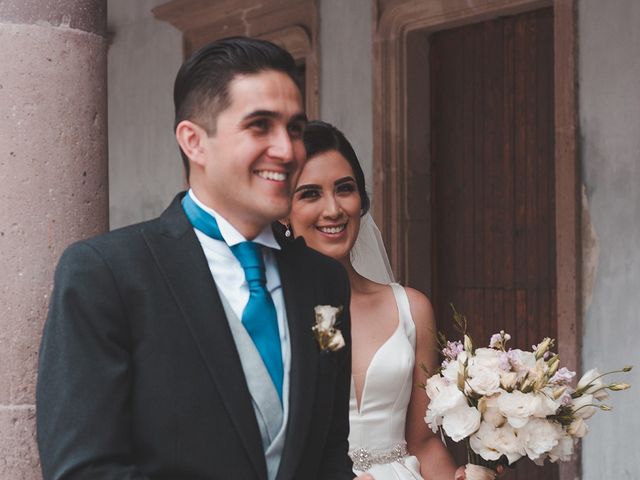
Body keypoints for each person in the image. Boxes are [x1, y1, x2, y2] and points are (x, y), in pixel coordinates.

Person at [36, 38, 354, 480]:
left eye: (295, 128)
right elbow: (84, 471)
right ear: (194, 142)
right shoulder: (105, 274)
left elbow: (330, 449)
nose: (287, 149)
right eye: (260, 126)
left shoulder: (324, 282)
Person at [283, 120, 466, 480]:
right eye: (310, 193)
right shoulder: (268, 310)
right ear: (282, 208)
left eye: (344, 189)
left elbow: (422, 441)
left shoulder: (411, 309)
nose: (333, 209)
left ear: (361, 199)